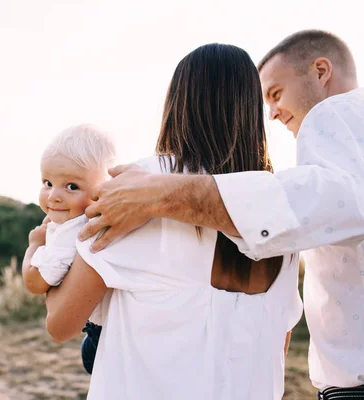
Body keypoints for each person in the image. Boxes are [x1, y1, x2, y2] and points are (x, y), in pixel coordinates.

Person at [79, 30, 364, 399]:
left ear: (321, 71)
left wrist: (157, 192)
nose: (273, 112)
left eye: (276, 93)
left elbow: (336, 201)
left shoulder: (337, 113)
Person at [27, 43, 303, 399]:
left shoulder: (144, 186)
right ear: (251, 110)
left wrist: (49, 248)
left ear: (176, 105)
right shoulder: (279, 212)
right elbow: (279, 343)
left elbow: (61, 323)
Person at [21, 123, 117, 374]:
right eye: (48, 182)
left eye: (71, 186)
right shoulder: (86, 219)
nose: (54, 196)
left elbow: (34, 282)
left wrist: (34, 244)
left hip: (99, 337)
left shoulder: (72, 232)